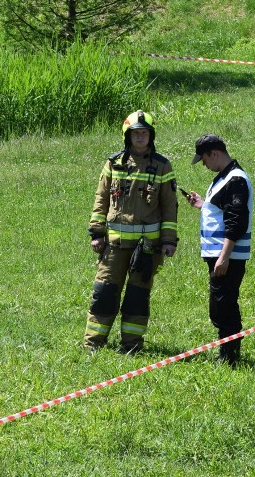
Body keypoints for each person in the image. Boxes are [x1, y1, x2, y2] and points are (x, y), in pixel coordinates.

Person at [83, 110, 179, 354]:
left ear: (151, 135)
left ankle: (131, 345)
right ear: (128, 136)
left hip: (146, 248)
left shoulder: (162, 165)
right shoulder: (114, 163)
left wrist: (169, 241)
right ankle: (93, 343)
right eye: (136, 133)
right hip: (113, 246)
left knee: (137, 297)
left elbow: (169, 206)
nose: (140, 137)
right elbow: (101, 199)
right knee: (104, 292)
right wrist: (97, 233)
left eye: (144, 133)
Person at [185, 134, 252, 367]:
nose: (204, 165)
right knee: (220, 304)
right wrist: (203, 205)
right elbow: (224, 211)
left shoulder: (236, 179)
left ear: (214, 154)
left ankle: (230, 358)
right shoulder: (223, 178)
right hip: (219, 255)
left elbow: (236, 221)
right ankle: (227, 353)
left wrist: (223, 257)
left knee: (223, 305)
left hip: (227, 256)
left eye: (204, 160)